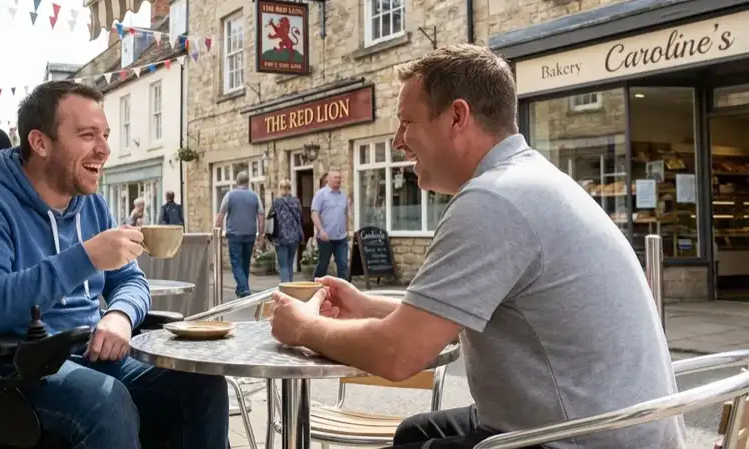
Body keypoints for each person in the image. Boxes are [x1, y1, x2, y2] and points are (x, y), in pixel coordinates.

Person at [268, 44, 685, 449]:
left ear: (457, 117)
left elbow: (397, 353)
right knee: (412, 433)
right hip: (612, 425)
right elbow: (445, 321)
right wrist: (366, 307)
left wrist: (302, 327)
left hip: (578, 439)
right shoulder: (524, 179)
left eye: (407, 121)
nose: (397, 140)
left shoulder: (494, 200)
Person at [0, 80, 229, 449]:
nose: (105, 148)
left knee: (201, 381)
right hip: (14, 366)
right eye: (88, 135)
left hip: (90, 353)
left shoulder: (92, 205)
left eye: (106, 134)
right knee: (107, 401)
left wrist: (120, 316)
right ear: (41, 143)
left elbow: (131, 281)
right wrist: (86, 257)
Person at [214, 172, 264, 298]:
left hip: (234, 234)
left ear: (236, 182)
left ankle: (244, 288)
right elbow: (261, 215)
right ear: (248, 182)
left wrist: (217, 231)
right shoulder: (255, 196)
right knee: (245, 262)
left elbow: (221, 214)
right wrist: (261, 233)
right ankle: (241, 289)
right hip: (250, 234)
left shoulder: (229, 195)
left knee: (236, 262)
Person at [310, 170, 349, 279]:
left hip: (341, 238)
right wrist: (321, 231)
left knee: (343, 265)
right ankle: (315, 288)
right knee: (323, 265)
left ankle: (345, 292)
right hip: (325, 238)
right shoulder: (320, 194)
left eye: (339, 178)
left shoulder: (343, 195)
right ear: (328, 179)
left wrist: (346, 229)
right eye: (335, 178)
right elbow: (314, 214)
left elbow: (345, 214)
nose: (338, 180)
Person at [271, 179, 303, 282]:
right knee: (289, 263)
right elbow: (300, 217)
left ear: (280, 189)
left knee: (283, 265)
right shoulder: (296, 201)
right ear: (290, 188)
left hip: (281, 238)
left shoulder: (277, 202)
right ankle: (290, 286)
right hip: (294, 237)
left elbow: (270, 218)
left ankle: (286, 289)